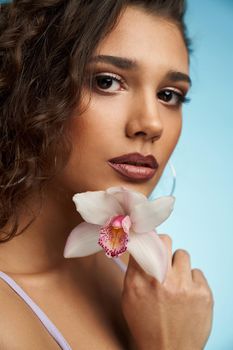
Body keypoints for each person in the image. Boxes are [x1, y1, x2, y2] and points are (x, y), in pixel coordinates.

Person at [0, 0, 214, 349]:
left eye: (168, 94)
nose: (151, 124)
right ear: (33, 91)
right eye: (107, 81)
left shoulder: (136, 269)